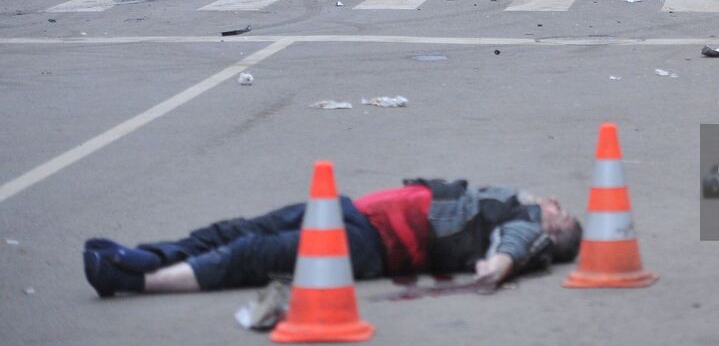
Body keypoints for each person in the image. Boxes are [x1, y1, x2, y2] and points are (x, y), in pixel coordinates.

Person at [81, 178, 581, 297]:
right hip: (356, 212)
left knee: (254, 254)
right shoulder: (507, 202)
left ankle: (137, 280)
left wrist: (501, 266)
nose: (556, 202)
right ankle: (145, 257)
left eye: (561, 212)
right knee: (240, 230)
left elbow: (515, 243)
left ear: (554, 227)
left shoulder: (525, 225)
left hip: (375, 245)